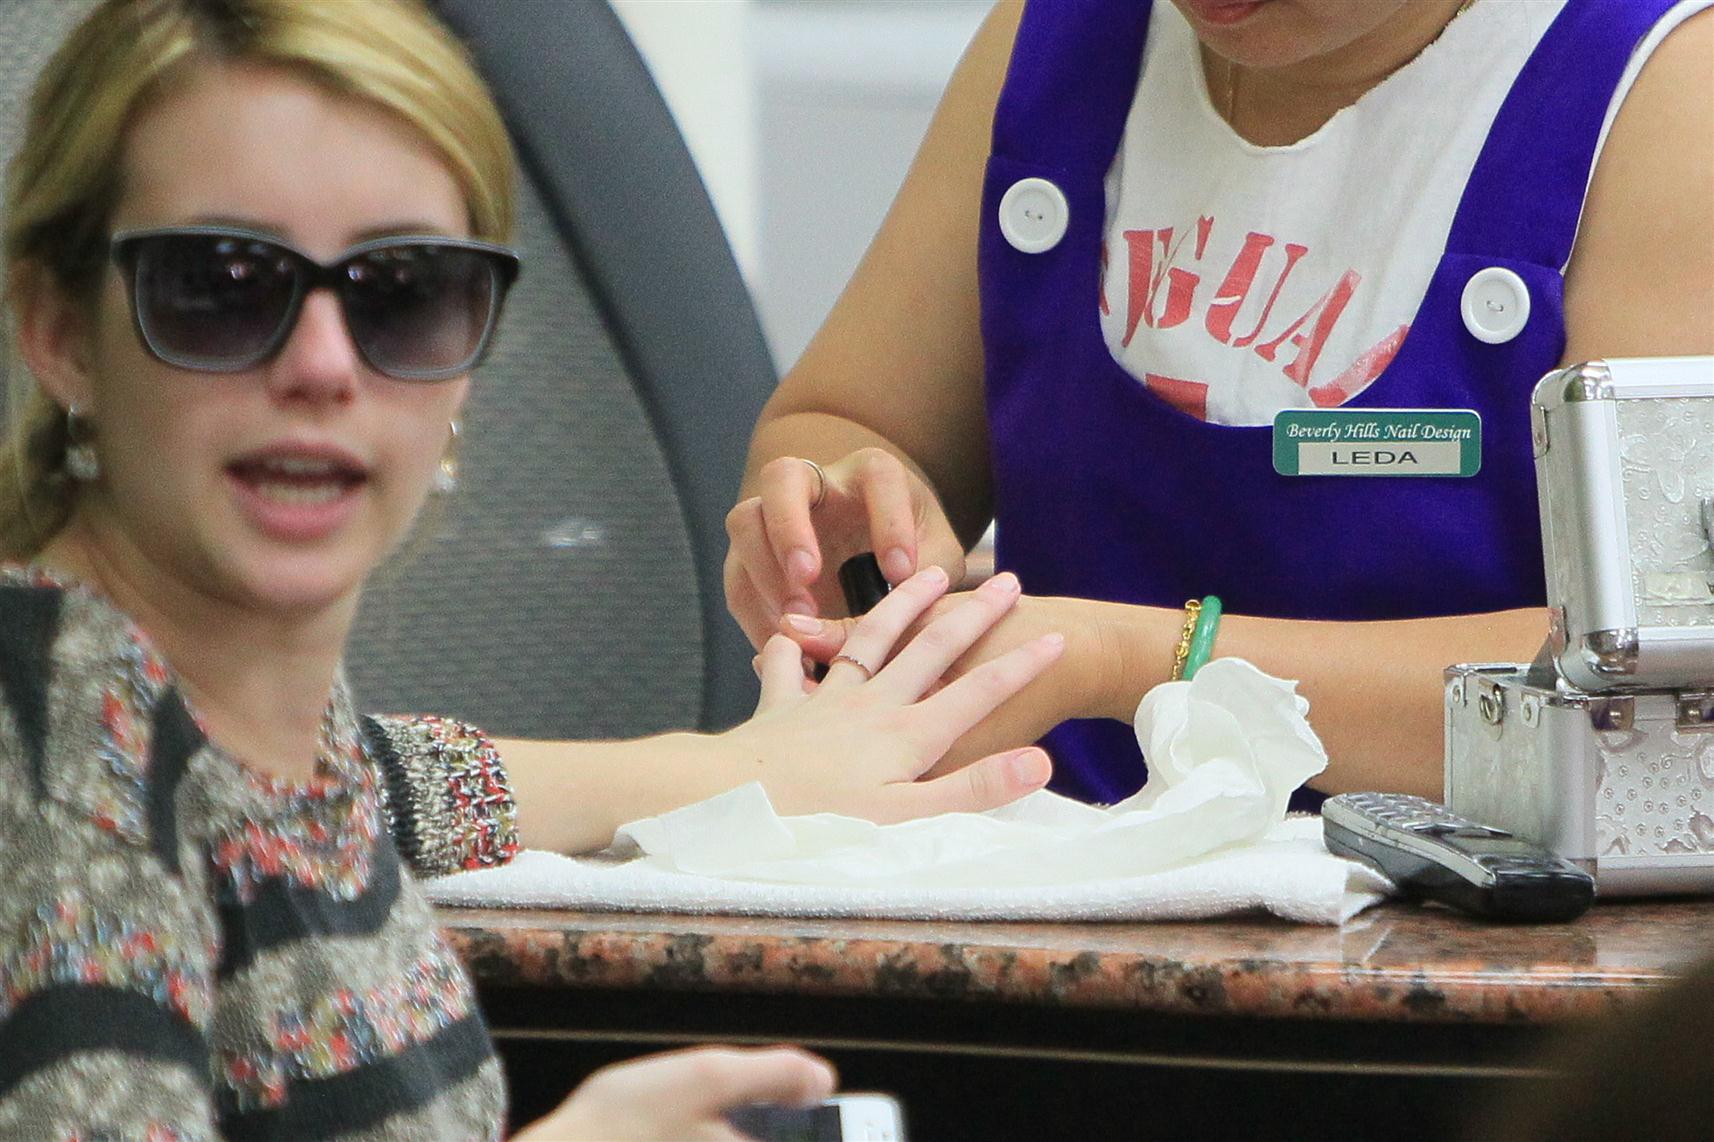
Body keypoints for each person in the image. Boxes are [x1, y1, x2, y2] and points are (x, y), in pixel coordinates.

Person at [0, 0, 1069, 1137]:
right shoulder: (56, 746)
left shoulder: (252, 736)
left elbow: (393, 781)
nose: (321, 364)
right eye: (220, 282)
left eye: (403, 291)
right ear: (58, 329)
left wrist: (758, 768)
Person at [725, 0, 1714, 807]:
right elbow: (851, 423)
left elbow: (1660, 691)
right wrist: (849, 520)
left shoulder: (1663, 96)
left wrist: (1135, 658)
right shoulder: (1052, 45)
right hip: (1042, 883)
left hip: (1489, 965)